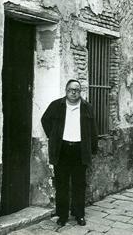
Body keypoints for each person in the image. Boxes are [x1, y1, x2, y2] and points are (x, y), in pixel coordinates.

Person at [41, 79, 98, 227]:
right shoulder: (56, 105)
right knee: (62, 184)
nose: (74, 92)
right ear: (66, 91)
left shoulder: (87, 107)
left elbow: (93, 129)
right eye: (71, 89)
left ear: (80, 92)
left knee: (79, 184)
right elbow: (45, 120)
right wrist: (53, 136)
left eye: (77, 90)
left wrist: (93, 148)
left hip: (80, 150)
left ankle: (79, 215)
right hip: (62, 149)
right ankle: (62, 215)